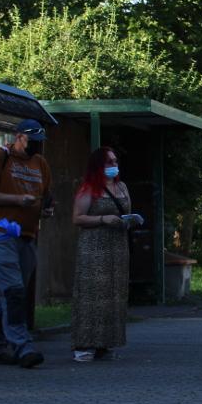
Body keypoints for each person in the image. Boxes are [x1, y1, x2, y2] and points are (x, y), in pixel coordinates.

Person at [0, 118, 52, 368]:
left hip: (28, 235)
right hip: (1, 234)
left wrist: (45, 209)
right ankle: (23, 346)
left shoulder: (40, 163)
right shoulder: (0, 157)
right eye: (32, 141)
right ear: (19, 136)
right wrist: (17, 200)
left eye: (40, 142)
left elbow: (46, 197)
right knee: (13, 290)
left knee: (8, 292)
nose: (36, 147)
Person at [70, 147, 131, 363]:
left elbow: (125, 211)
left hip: (118, 246)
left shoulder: (121, 186)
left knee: (113, 294)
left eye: (115, 161)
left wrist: (129, 220)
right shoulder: (89, 189)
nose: (114, 165)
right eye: (108, 162)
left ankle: (105, 343)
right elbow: (77, 218)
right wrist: (103, 219)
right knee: (92, 293)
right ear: (98, 166)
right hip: (94, 247)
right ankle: (84, 343)